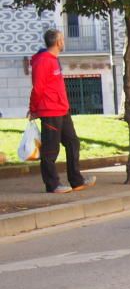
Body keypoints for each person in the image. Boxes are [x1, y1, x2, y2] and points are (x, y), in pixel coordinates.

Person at [28, 28, 96, 194]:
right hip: (50, 111)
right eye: (63, 39)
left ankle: (76, 180)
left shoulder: (52, 60)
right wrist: (33, 108)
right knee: (51, 150)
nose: (64, 42)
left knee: (73, 142)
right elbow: (38, 88)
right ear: (58, 42)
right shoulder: (44, 61)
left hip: (61, 110)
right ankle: (52, 185)